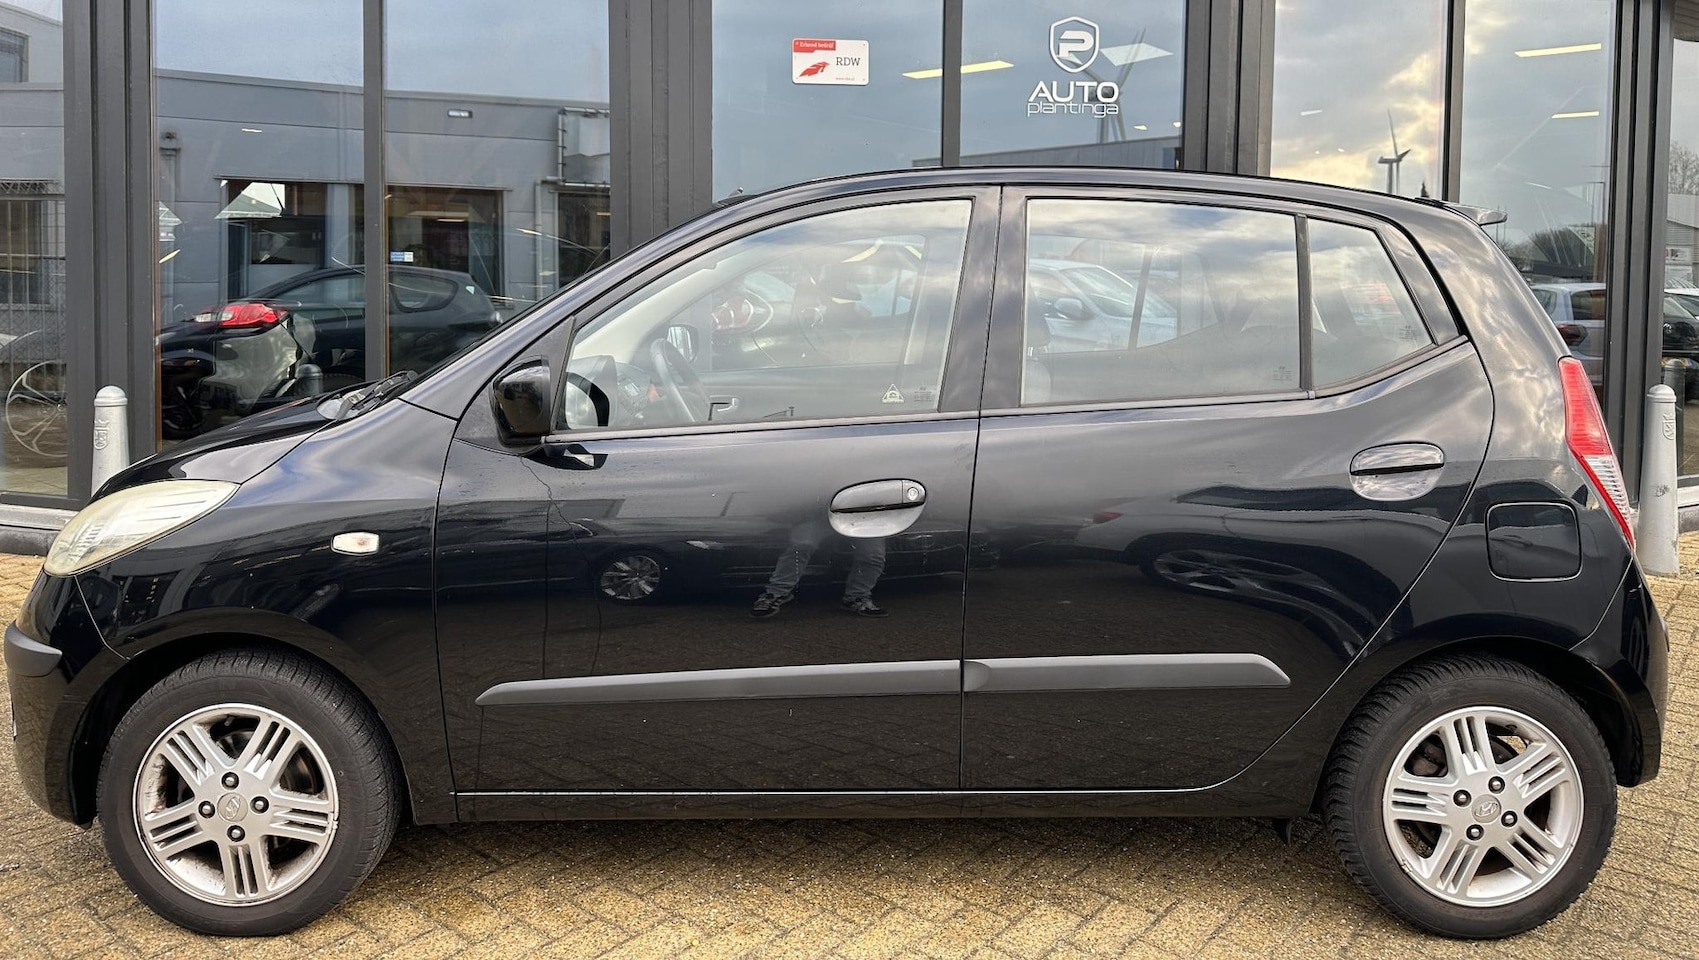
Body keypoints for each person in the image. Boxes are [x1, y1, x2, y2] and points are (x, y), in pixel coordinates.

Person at [751, 518, 888, 618]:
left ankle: (857, 597)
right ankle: (774, 594)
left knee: (873, 556)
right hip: (816, 514)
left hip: (863, 516)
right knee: (802, 546)